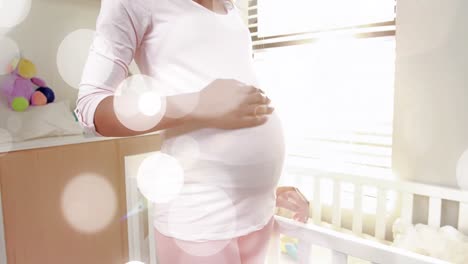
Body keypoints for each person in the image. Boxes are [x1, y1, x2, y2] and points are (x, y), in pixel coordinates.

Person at [75, 0, 309, 263]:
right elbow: (91, 108)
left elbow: (235, 96)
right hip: (200, 213)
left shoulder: (230, 8)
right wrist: (198, 103)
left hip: (257, 213)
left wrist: (263, 188)